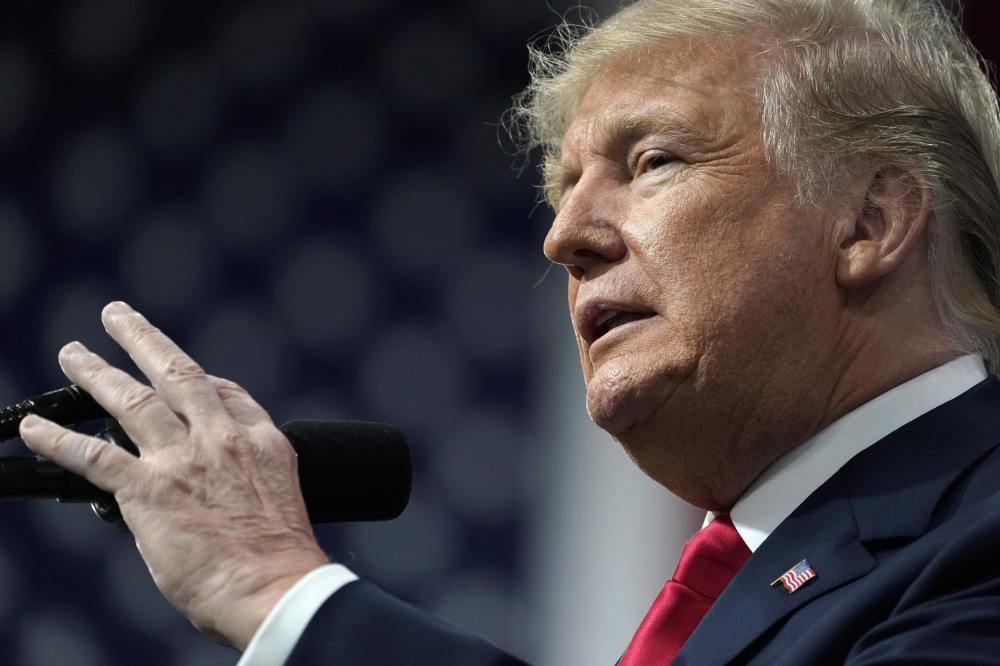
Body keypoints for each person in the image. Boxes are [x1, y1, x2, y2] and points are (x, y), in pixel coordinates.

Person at [17, 0, 1000, 663]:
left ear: (869, 223)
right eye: (565, 189)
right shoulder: (769, 569)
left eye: (652, 161)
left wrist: (278, 590)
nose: (564, 238)